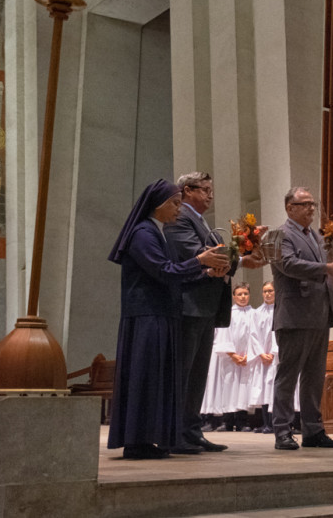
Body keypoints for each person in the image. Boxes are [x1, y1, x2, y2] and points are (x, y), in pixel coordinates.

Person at [107, 179, 229, 459]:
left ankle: (147, 440)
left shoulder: (154, 232)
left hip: (158, 315)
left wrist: (206, 274)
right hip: (146, 317)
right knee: (144, 378)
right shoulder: (143, 233)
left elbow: (171, 272)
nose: (178, 209)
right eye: (174, 203)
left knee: (154, 379)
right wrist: (200, 261)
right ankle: (137, 442)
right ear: (157, 205)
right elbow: (164, 271)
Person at [165, 172, 265, 453]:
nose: (210, 195)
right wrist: (241, 256)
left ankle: (191, 431)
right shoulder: (179, 218)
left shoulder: (200, 220)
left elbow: (216, 254)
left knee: (198, 374)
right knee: (183, 373)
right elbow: (196, 254)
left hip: (206, 305)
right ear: (187, 190)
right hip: (189, 305)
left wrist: (243, 253)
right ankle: (175, 434)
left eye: (211, 190)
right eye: (205, 189)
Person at [271, 187, 333, 450]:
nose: (311, 208)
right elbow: (288, 264)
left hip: (319, 313)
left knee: (315, 376)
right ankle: (282, 431)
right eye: (304, 204)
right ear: (289, 208)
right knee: (288, 376)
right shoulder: (279, 235)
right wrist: (326, 268)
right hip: (294, 314)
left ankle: (313, 430)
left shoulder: (316, 237)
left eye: (312, 204)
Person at [212, 283, 256, 431]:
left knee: (244, 389)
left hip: (247, 358)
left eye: (245, 294)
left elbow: (257, 336)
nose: (243, 297)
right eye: (239, 294)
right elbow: (223, 335)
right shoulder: (229, 313)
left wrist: (249, 354)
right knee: (228, 386)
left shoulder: (254, 314)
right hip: (230, 358)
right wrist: (233, 355)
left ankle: (242, 422)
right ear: (234, 296)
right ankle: (228, 422)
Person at [249, 281, 277, 433]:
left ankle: (276, 423)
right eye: (265, 291)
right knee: (263, 390)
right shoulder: (257, 312)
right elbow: (253, 334)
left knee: (274, 389)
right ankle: (266, 423)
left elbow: (278, 334)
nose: (267, 294)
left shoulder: (279, 310)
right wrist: (261, 353)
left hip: (275, 357)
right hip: (262, 358)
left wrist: (273, 352)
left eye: (270, 291)